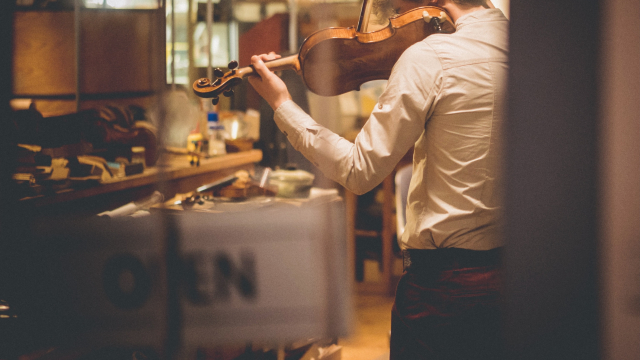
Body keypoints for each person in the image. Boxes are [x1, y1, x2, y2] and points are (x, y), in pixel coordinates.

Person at [248, 0, 508, 358]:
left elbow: (359, 171)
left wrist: (282, 104)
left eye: (397, 6)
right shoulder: (537, 54)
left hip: (441, 293)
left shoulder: (431, 58)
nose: (395, 17)